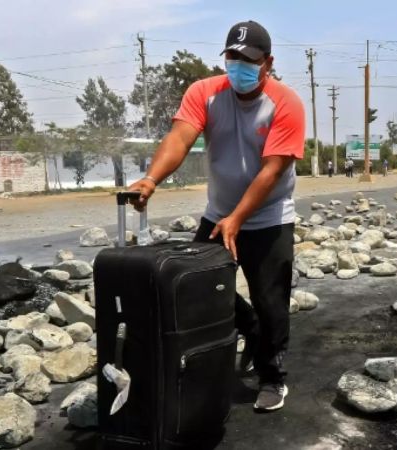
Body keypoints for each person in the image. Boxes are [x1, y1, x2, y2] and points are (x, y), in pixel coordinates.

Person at [128, 20, 303, 411]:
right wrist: (151, 179)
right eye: (232, 57)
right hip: (219, 212)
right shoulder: (204, 93)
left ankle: (272, 376)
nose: (239, 65)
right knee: (198, 286)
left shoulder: (286, 103)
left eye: (249, 59)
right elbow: (179, 138)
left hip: (269, 216)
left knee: (270, 299)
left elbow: (272, 170)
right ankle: (249, 327)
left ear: (267, 62)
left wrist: (239, 218)